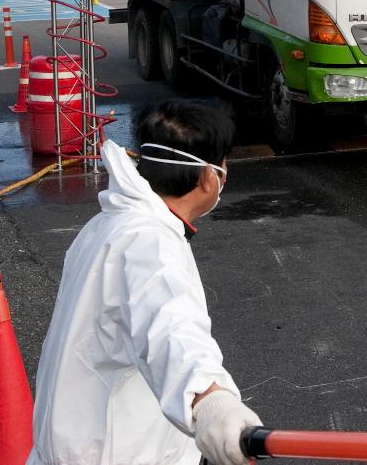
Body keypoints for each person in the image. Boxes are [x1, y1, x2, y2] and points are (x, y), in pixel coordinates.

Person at [28, 99, 261, 465]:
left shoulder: (109, 224)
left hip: (79, 443)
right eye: (225, 164)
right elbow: (169, 327)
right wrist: (211, 400)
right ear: (208, 177)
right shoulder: (149, 243)